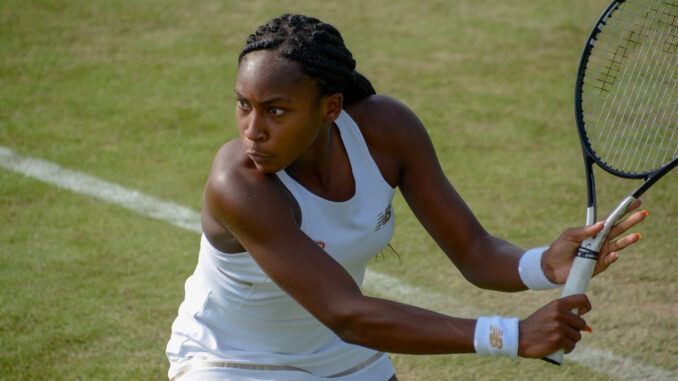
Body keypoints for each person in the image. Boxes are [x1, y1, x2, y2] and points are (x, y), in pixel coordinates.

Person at [166, 13, 647, 381]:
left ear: (330, 107)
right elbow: (345, 313)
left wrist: (543, 265)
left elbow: (475, 253)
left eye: (275, 111)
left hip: (344, 356)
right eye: (243, 106)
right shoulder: (239, 182)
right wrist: (511, 335)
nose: (254, 131)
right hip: (231, 359)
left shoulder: (387, 132)